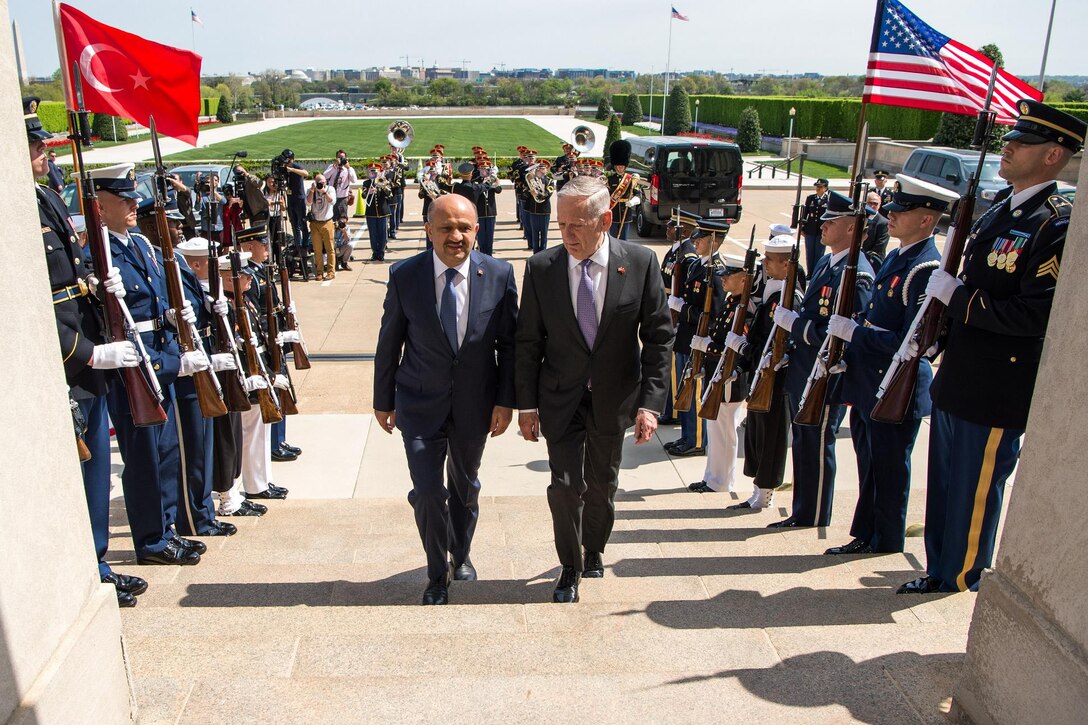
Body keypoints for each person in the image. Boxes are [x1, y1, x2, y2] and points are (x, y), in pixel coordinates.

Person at [898, 101, 1084, 595]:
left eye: (1022, 143)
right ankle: (940, 565)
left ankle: (959, 574)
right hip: (960, 376)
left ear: (1053, 156)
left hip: (998, 383)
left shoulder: (1054, 224)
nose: (1009, 146)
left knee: (973, 491)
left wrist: (956, 297)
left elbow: (1033, 315)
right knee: (945, 485)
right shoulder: (1002, 207)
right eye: (1011, 138)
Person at [516, 174, 673, 604]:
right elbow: (528, 342)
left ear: (605, 219)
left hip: (612, 399)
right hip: (560, 399)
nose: (566, 234)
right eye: (561, 224)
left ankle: (594, 547)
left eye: (577, 225)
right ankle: (570, 567)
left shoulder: (639, 264)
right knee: (565, 486)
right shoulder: (541, 268)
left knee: (601, 484)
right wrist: (525, 405)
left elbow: (659, 338)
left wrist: (650, 405)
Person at [27, 99, 148, 606]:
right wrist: (84, 354)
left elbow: (69, 279)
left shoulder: (45, 196)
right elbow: (27, 300)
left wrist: (98, 287)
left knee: (96, 470)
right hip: (65, 359)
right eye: (34, 146)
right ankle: (82, 570)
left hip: (87, 353)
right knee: (74, 475)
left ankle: (96, 562)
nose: (42, 154)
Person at [374, 194, 518, 605]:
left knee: (465, 486)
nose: (456, 236)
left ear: (477, 229)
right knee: (427, 492)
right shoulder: (405, 275)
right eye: (446, 228)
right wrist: (382, 400)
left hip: (476, 403)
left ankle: (463, 552)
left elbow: (509, 346)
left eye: (464, 228)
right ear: (428, 231)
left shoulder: (499, 273)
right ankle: (437, 574)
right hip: (418, 403)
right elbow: (389, 343)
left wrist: (505, 401)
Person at [827, 176, 956, 556]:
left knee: (889, 468)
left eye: (902, 210)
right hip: (872, 383)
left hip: (896, 384)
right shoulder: (900, 258)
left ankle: (885, 539)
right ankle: (866, 533)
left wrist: (855, 333)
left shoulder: (924, 268)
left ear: (927, 220)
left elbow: (912, 342)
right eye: (892, 208)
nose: (891, 215)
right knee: (870, 464)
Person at [91, 163, 209, 566]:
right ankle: (151, 539)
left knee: (167, 451)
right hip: (134, 365)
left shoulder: (140, 244)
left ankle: (167, 529)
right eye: (124, 200)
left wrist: (180, 320)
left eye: (132, 197)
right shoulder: (98, 250)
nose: (133, 204)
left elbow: (160, 298)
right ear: (101, 206)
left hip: (160, 353)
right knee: (144, 458)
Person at [769, 190, 874, 528]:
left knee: (816, 442)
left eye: (832, 221)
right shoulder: (829, 263)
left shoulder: (855, 273)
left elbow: (839, 331)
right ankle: (804, 509)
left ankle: (812, 514)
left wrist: (796, 325)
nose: (823, 226)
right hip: (805, 368)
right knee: (803, 440)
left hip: (825, 372)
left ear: (852, 228)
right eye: (823, 219)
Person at [731, 234, 803, 511]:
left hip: (776, 378)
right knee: (758, 434)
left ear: (787, 266)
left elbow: (778, 342)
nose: (765, 263)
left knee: (771, 435)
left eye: (770, 260)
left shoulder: (788, 296)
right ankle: (758, 489)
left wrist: (746, 349)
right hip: (763, 373)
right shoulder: (773, 291)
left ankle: (765, 492)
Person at [686, 237, 748, 494]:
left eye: (729, 276)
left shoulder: (743, 309)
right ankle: (712, 476)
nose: (723, 280)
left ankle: (722, 481)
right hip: (717, 374)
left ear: (744, 279)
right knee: (715, 427)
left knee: (725, 430)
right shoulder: (731, 305)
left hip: (730, 379)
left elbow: (735, 349)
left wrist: (707, 347)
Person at [667, 214, 719, 457]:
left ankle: (697, 440)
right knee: (684, 388)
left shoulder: (715, 272)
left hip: (698, 340)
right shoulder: (699, 265)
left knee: (695, 391)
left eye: (701, 238)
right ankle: (687, 435)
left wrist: (683, 308)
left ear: (715, 241)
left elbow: (713, 314)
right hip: (686, 336)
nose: (695, 242)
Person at [658, 208, 700, 426]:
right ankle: (669, 409)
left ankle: (672, 411)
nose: (667, 229)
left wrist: (675, 317)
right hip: (667, 311)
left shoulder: (688, 254)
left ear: (684, 230)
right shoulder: (675, 252)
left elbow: (683, 291)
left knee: (675, 365)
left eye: (671, 226)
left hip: (676, 316)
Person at [605, 140, 641, 240]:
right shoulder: (610, 179)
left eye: (622, 166)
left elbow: (638, 194)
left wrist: (633, 201)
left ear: (625, 166)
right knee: (612, 238)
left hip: (626, 212)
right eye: (618, 166)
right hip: (614, 212)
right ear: (615, 166)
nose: (620, 168)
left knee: (625, 239)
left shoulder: (630, 179)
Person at [279, 149, 311, 255]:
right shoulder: (283, 168)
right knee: (294, 224)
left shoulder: (295, 166)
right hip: (290, 198)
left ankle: (305, 245)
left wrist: (291, 169)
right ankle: (298, 245)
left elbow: (306, 173)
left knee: (302, 224)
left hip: (299, 198)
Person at [307, 172, 336, 280]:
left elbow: (332, 201)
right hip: (315, 223)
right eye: (319, 182)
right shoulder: (311, 190)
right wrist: (312, 191)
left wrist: (324, 192)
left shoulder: (330, 189)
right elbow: (308, 203)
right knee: (317, 249)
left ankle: (330, 272)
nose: (321, 184)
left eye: (323, 182)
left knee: (330, 249)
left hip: (327, 222)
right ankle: (319, 272)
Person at [522, 156, 554, 254]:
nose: (540, 170)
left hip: (544, 211)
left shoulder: (549, 181)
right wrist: (529, 192)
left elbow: (548, 194)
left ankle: (543, 253)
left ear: (546, 170)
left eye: (542, 168)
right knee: (534, 233)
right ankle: (535, 254)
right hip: (534, 211)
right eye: (539, 168)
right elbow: (523, 196)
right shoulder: (531, 180)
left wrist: (538, 194)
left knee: (544, 234)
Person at [362, 163, 393, 262]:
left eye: (375, 171)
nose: (374, 173)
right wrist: (369, 192)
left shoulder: (384, 181)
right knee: (373, 234)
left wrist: (381, 187)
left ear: (379, 172)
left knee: (382, 234)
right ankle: (375, 253)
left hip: (382, 212)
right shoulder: (366, 183)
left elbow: (389, 194)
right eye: (372, 171)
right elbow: (363, 195)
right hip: (371, 213)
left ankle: (381, 253)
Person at [801, 178, 830, 275]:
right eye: (817, 187)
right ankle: (810, 273)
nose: (817, 189)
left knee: (819, 254)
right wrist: (802, 228)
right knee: (810, 253)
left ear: (825, 188)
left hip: (822, 231)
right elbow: (805, 214)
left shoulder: (829, 199)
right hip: (810, 230)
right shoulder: (811, 198)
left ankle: (816, 274)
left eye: (820, 187)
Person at [475, 158, 502, 255]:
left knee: (489, 237)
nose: (484, 171)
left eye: (486, 169)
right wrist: (484, 183)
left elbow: (498, 190)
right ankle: (482, 255)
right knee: (481, 237)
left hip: (491, 212)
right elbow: (476, 191)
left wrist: (495, 182)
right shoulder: (476, 181)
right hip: (480, 212)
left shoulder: (492, 180)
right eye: (482, 169)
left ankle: (489, 256)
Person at [323, 150, 358, 224]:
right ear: (336, 158)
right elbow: (325, 176)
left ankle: (342, 234)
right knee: (331, 219)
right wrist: (334, 167)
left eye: (343, 158)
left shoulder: (348, 169)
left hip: (342, 198)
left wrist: (348, 168)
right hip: (331, 197)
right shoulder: (332, 167)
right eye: (339, 157)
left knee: (342, 220)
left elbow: (354, 180)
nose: (341, 159)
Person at [862, 190, 890, 268]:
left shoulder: (883, 223)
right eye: (870, 203)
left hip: (872, 263)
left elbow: (879, 247)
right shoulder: (858, 218)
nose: (872, 206)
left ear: (879, 205)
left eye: (875, 203)